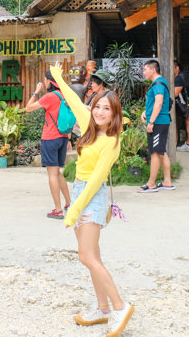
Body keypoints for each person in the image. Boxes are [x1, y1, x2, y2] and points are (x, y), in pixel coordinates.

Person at [49, 63, 134, 336]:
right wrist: (60, 79)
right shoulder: (89, 125)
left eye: (106, 109)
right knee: (92, 255)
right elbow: (74, 101)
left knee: (86, 256)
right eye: (96, 106)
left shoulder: (111, 141)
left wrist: (73, 211)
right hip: (78, 191)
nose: (99, 112)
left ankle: (120, 306)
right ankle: (103, 308)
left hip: (92, 196)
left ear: (114, 114)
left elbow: (97, 180)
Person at [25, 69, 71, 219]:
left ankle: (57, 210)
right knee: (58, 172)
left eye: (45, 80)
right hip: (63, 137)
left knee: (52, 174)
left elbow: (28, 108)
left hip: (50, 138)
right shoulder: (65, 95)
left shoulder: (50, 96)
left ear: (49, 82)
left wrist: (36, 92)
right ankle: (69, 203)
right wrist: (69, 139)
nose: (44, 83)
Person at [139, 60, 174, 192]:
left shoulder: (158, 83)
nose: (144, 72)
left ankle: (151, 184)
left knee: (155, 152)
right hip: (160, 121)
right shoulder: (158, 83)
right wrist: (145, 112)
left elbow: (159, 103)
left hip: (158, 123)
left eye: (145, 69)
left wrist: (151, 121)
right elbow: (156, 103)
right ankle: (167, 181)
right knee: (161, 151)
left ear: (153, 70)